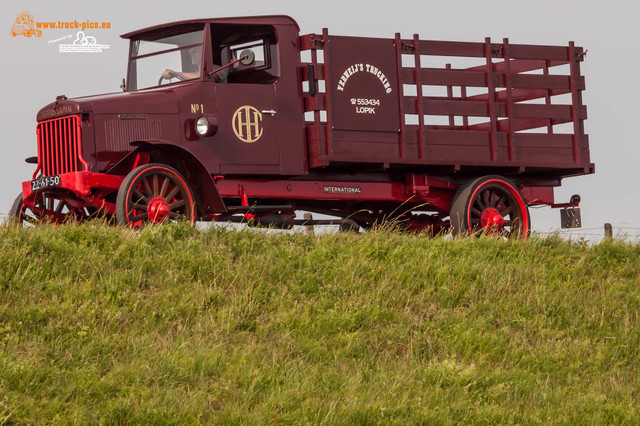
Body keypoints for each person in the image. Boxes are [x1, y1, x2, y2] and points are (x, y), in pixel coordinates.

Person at [161, 47, 228, 83]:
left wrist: (176, 73)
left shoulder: (218, 69)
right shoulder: (193, 73)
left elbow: (204, 77)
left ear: (204, 53)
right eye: (191, 51)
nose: (192, 54)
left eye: (195, 51)